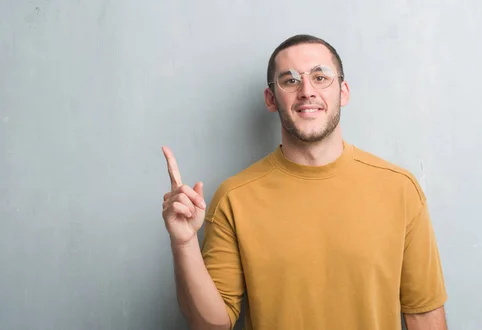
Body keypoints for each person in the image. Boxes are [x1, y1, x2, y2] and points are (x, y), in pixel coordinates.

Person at [161, 34, 448, 330]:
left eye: (321, 77)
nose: (307, 91)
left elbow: (424, 316)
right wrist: (183, 243)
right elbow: (211, 325)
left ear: (343, 92)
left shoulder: (399, 189)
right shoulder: (234, 197)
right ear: (271, 99)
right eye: (290, 80)